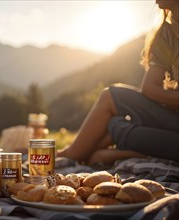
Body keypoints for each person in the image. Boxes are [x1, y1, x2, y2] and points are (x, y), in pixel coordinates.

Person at [57, 0, 179, 165]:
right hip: (173, 120)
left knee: (111, 136)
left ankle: (72, 156)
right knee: (111, 98)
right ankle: (73, 154)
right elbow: (150, 88)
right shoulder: (167, 33)